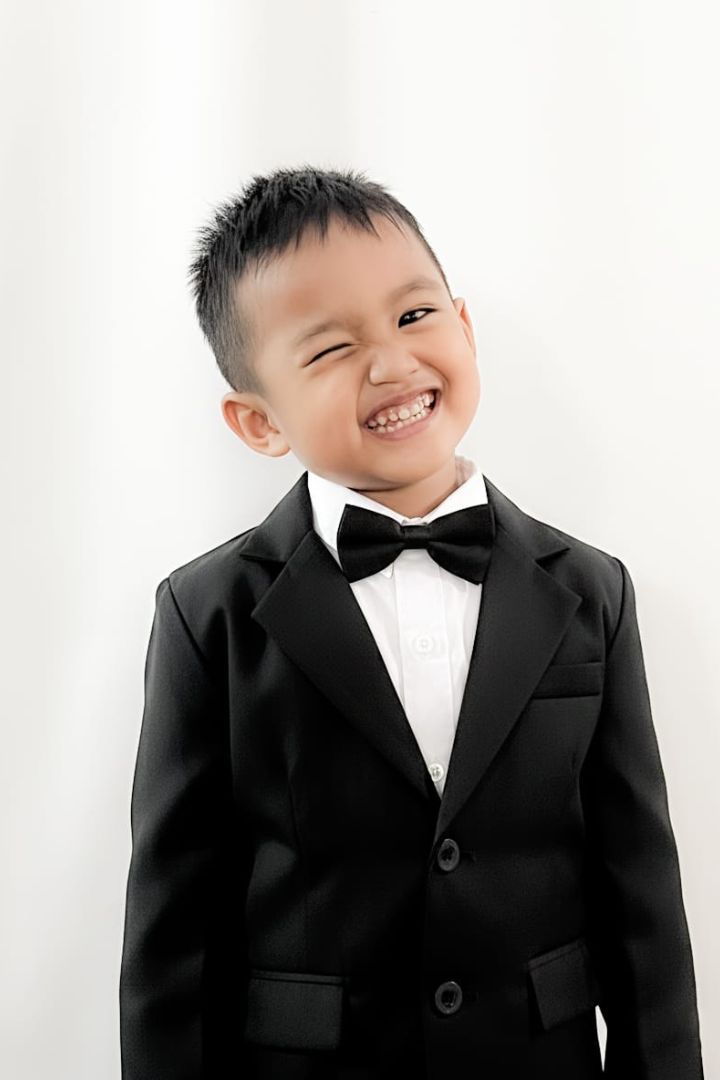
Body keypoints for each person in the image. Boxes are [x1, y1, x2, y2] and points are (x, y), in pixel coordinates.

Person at [119, 166, 704, 1079]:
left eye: (415, 315)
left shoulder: (593, 591)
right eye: (329, 349)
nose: (391, 364)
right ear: (258, 422)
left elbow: (643, 900)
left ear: (464, 325)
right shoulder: (207, 614)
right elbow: (173, 936)